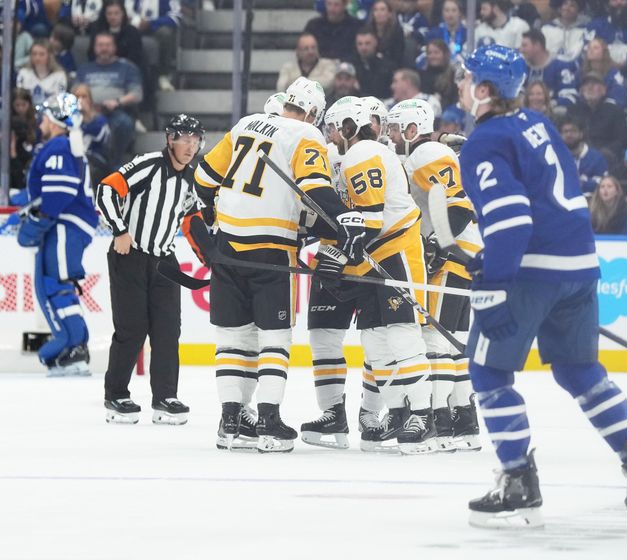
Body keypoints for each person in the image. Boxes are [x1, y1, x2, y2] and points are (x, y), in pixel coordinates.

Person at [455, 43, 627, 528]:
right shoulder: (538, 123)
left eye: (466, 77)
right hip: (578, 265)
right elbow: (548, 199)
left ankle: (518, 482)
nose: (459, 83)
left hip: (532, 272)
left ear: (485, 90)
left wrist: (495, 280)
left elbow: (512, 219)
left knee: (489, 373)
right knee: (580, 370)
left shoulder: (483, 142)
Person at [193, 78, 366, 453]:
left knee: (233, 339)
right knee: (274, 339)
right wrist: (344, 221)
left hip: (227, 247)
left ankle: (230, 422)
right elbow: (318, 191)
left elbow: (203, 178)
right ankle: (269, 421)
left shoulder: (245, 123)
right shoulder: (306, 135)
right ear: (315, 114)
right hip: (270, 252)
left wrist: (211, 213)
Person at [310, 96, 435, 455]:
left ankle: (422, 415)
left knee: (402, 335)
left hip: (396, 252)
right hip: (374, 258)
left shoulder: (362, 152)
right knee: (376, 342)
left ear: (349, 125)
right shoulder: (352, 156)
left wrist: (340, 256)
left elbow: (372, 218)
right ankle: (397, 412)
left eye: (334, 128)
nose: (331, 136)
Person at [386, 98, 483, 451]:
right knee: (455, 341)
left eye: (397, 128)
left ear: (414, 129)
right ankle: (464, 421)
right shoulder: (424, 153)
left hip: (451, 255)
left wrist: (437, 247)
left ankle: (439, 419)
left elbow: (457, 204)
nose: (392, 135)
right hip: (465, 255)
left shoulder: (425, 155)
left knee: (435, 339)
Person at [95, 114, 205, 425]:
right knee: (132, 329)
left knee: (168, 331)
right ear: (170, 139)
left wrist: (211, 259)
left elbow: (191, 220)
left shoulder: (189, 179)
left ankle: (165, 397)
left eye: (195, 140)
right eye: (185, 138)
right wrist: (119, 230)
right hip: (129, 255)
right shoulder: (149, 165)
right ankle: (116, 394)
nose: (190, 145)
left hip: (164, 262)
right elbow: (106, 189)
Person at [17, 93, 99, 377]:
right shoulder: (66, 146)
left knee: (58, 285)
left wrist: (40, 220)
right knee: (57, 282)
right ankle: (72, 346)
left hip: (66, 224)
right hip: (69, 225)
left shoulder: (59, 146)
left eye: (45, 115)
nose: (40, 120)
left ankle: (73, 347)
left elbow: (59, 192)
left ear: (54, 119)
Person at [76, 31, 143, 168]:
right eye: (100, 45)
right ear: (94, 48)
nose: (104, 48)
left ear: (114, 47)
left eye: (107, 45)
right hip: (87, 112)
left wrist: (117, 102)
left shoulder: (127, 67)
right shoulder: (84, 69)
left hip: (114, 112)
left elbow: (137, 94)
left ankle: (113, 165)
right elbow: (75, 92)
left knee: (123, 123)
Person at [585, 0, 627, 78]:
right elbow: (586, 49)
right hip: (600, 75)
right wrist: (605, 63)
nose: (618, 2)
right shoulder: (595, 25)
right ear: (608, 3)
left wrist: (624, 64)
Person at [72, 84, 112, 185]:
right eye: (77, 97)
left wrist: (87, 115)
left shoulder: (100, 120)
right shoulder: (68, 121)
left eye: (84, 96)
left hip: (96, 161)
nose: (80, 100)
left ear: (90, 100)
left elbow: (101, 138)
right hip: (73, 158)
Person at [559, 115, 608, 195]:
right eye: (565, 131)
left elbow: (603, 183)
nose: (569, 135)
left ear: (581, 134)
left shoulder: (596, 158)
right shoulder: (556, 157)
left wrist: (580, 183)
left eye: (573, 131)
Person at [16, 40, 67, 106]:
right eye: (34, 54)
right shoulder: (23, 73)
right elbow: (20, 97)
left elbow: (60, 100)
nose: (37, 58)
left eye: (41, 54)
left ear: (49, 56)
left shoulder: (60, 75)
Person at [350, 29, 396, 100]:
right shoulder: (350, 64)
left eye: (367, 43)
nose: (363, 48)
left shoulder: (387, 66)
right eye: (360, 44)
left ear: (375, 43)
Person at [419, 39, 459, 108]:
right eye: (429, 53)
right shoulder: (421, 75)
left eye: (436, 52)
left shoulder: (453, 75)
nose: (432, 56)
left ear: (444, 54)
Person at [366, 0, 406, 69]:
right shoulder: (367, 30)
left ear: (389, 13)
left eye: (382, 10)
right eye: (376, 10)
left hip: (390, 66)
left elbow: (397, 56)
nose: (379, 13)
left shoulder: (397, 31)